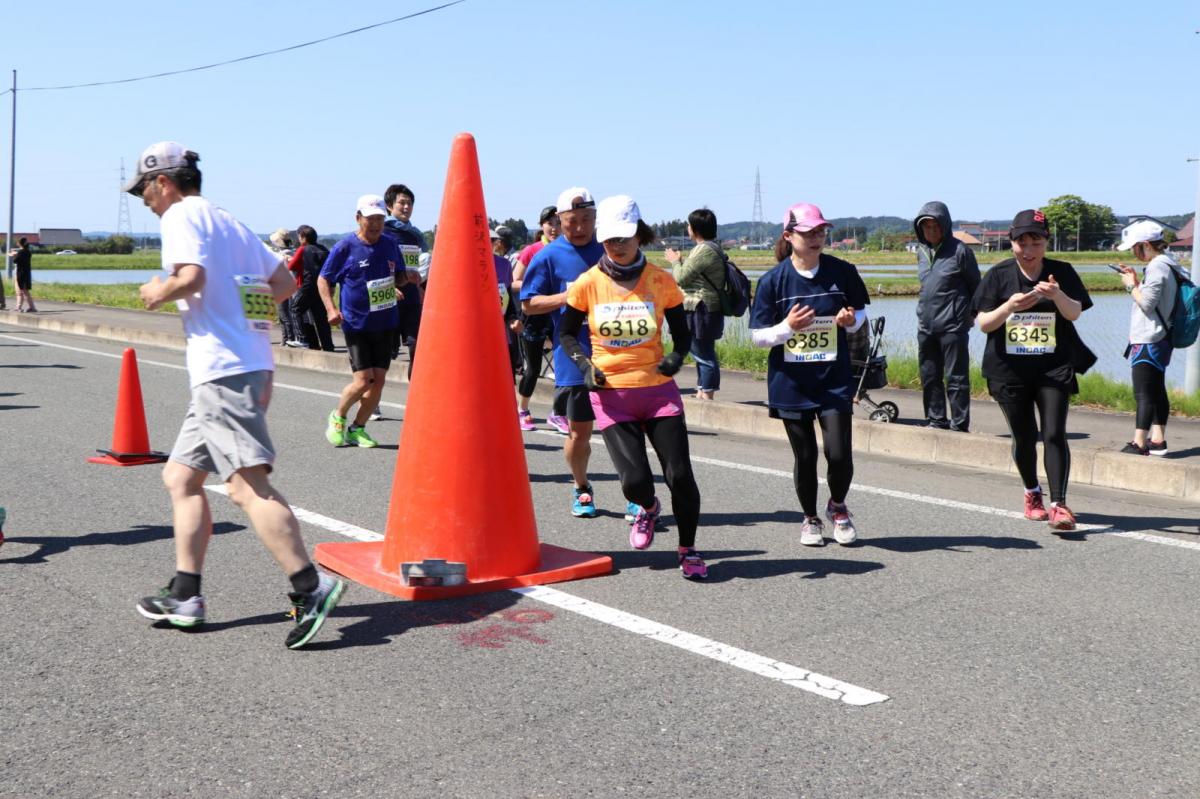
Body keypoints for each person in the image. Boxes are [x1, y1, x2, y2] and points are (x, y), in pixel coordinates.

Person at [125, 141, 344, 648]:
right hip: (246, 363)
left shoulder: (180, 216)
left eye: (144, 191)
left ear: (165, 182)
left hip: (223, 370)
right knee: (180, 477)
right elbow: (285, 283)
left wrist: (157, 292)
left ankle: (311, 587)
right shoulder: (230, 222)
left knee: (246, 487)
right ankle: (186, 593)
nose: (144, 201)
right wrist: (240, 316)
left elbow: (191, 277)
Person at [558, 195, 707, 579]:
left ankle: (687, 549)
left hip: (658, 392)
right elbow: (566, 333)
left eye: (624, 237)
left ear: (640, 234)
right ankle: (647, 507)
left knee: (680, 475)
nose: (617, 246)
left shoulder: (661, 280)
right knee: (635, 482)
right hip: (611, 395)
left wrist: (677, 356)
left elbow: (683, 332)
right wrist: (583, 365)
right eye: (609, 239)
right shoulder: (588, 284)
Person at [749, 203, 870, 546]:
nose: (817, 238)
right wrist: (787, 327)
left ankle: (839, 507)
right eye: (808, 232)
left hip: (833, 378)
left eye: (820, 231)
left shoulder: (841, 271)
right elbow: (757, 336)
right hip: (791, 383)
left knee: (839, 453)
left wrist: (850, 322)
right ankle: (810, 518)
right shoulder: (774, 281)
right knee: (805, 456)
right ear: (789, 236)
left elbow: (859, 315)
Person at [972, 209, 1092, 532]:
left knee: (1054, 433)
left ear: (1046, 242)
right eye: (1021, 241)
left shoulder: (1061, 272)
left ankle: (1059, 504)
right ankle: (1031, 492)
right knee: (1024, 438)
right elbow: (983, 323)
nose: (1028, 249)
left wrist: (1057, 295)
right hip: (1008, 370)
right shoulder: (998, 276)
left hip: (1053, 367)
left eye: (1035, 241)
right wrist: (1008, 307)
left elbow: (1075, 313)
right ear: (1011, 243)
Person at [519, 187, 604, 517]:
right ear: (559, 221)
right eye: (572, 221)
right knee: (578, 433)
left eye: (587, 219)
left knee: (623, 430)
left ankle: (634, 491)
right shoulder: (548, 256)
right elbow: (529, 303)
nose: (580, 227)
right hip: (574, 357)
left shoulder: (610, 248)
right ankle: (580, 485)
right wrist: (569, 298)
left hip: (620, 354)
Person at [318, 194, 404, 448]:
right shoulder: (344, 247)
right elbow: (324, 279)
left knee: (379, 381)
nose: (376, 224)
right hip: (356, 323)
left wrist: (401, 283)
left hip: (386, 320)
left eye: (380, 219)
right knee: (363, 380)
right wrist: (330, 308)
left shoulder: (390, 243)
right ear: (358, 219)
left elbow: (397, 276)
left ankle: (358, 428)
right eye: (370, 219)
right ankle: (338, 417)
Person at [913, 201, 980, 432]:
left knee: (956, 378)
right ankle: (936, 420)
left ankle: (959, 425)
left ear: (945, 225)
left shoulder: (960, 251)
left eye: (935, 226)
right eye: (926, 227)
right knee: (929, 376)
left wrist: (971, 314)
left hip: (953, 326)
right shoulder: (921, 252)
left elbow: (976, 288)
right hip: (926, 325)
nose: (931, 231)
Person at [1115, 219, 1180, 456]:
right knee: (1156, 388)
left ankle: (1139, 442)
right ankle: (1158, 440)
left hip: (1148, 338)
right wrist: (1136, 280)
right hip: (1161, 336)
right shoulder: (1169, 263)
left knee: (1143, 392)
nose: (1133, 252)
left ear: (1145, 244)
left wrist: (1130, 285)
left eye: (1134, 247)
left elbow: (1146, 303)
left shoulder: (1156, 266)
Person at [664, 208, 726, 400]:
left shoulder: (703, 250)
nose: (687, 228)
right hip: (702, 307)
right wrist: (682, 260)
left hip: (701, 307)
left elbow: (681, 278)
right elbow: (692, 275)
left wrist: (674, 262)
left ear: (695, 229)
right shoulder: (709, 248)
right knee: (702, 350)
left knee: (703, 352)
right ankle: (702, 390)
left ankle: (707, 393)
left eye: (689, 225)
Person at [512, 205, 560, 431]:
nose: (555, 228)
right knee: (533, 367)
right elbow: (514, 281)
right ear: (542, 225)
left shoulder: (565, 248)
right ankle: (522, 410)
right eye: (550, 223)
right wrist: (538, 288)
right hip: (535, 313)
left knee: (565, 364)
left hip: (559, 314)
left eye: (559, 223)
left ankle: (557, 412)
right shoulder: (532, 250)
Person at [383, 184, 426, 379]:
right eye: (402, 203)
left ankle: (415, 398)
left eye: (410, 203)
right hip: (385, 299)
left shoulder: (415, 235)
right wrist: (389, 288)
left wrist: (422, 287)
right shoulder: (381, 231)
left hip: (411, 298)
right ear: (389, 206)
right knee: (383, 357)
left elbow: (423, 263)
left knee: (418, 347)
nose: (406, 207)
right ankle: (372, 402)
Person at [286, 225, 335, 351]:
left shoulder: (303, 249)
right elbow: (332, 268)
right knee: (321, 318)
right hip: (323, 287)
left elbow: (291, 266)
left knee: (295, 308)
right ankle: (328, 345)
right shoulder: (324, 249)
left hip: (308, 285)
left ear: (303, 237)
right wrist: (332, 286)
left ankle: (301, 339)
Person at [492, 228, 523, 379]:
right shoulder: (463, 265)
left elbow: (508, 296)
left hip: (501, 336)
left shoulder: (504, 265)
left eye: (490, 240)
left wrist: (513, 318)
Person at [268, 227, 299, 346]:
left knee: (283, 314)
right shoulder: (293, 252)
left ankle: (287, 338)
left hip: (281, 286)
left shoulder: (281, 255)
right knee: (288, 313)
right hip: (292, 287)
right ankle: (288, 338)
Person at [9, 237, 36, 313]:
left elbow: (15, 261)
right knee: (25, 291)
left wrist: (13, 255)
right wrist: (16, 254)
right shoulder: (28, 252)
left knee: (19, 292)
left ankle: (19, 307)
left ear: (19, 243)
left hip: (20, 274)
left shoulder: (21, 252)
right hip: (26, 273)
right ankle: (31, 307)